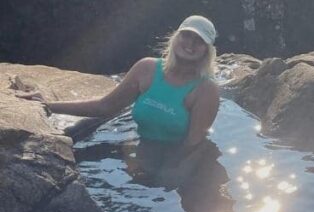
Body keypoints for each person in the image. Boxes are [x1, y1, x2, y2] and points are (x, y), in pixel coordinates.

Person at [20, 15, 223, 187]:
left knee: (162, 188)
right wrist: (48, 105)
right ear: (176, 37)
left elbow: (192, 144)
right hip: (144, 147)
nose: (189, 44)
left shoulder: (206, 90)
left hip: (176, 155)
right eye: (186, 35)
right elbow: (105, 106)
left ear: (207, 50)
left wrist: (172, 175)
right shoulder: (147, 69)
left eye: (198, 41)